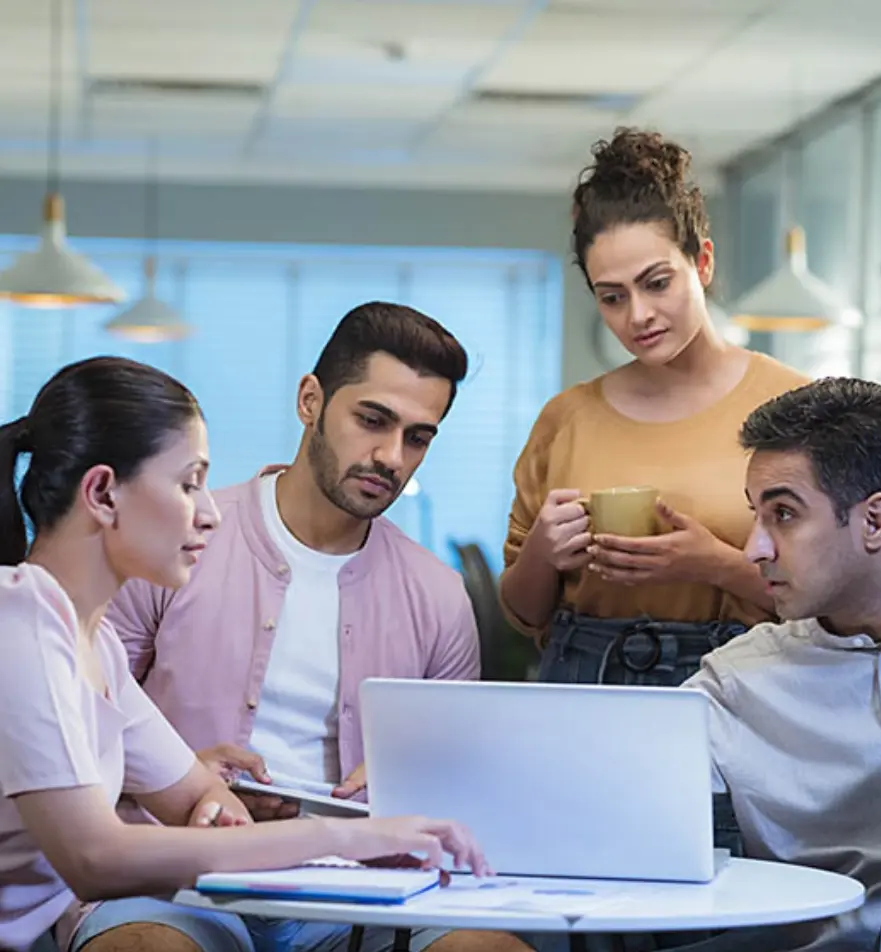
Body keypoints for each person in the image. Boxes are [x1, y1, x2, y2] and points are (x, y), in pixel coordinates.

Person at [0, 356, 489, 952]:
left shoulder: (91, 641)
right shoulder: (20, 624)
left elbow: (193, 798)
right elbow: (95, 858)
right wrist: (340, 839)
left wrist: (219, 808)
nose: (209, 514)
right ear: (102, 492)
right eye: (188, 484)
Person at [98, 303, 530, 952]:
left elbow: (454, 787)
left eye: (418, 437)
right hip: (177, 874)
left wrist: (403, 788)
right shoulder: (175, 542)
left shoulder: (439, 595)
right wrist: (179, 774)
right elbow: (75, 732)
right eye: (373, 420)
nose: (391, 456)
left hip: (361, 891)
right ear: (310, 401)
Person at [499, 128, 807, 872]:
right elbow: (523, 612)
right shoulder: (566, 417)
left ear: (702, 262)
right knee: (569, 907)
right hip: (580, 687)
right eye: (611, 296)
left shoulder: (794, 408)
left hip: (740, 689)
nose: (637, 314)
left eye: (656, 282)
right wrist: (544, 549)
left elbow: (831, 604)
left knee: (719, 906)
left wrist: (720, 565)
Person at [678, 376, 881, 951]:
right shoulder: (736, 683)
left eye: (783, 514)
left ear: (875, 522)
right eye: (757, 515)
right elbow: (608, 802)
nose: (754, 548)